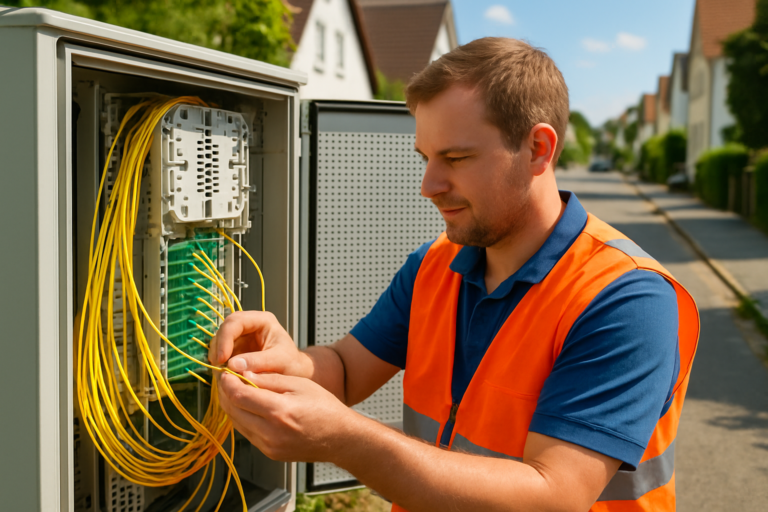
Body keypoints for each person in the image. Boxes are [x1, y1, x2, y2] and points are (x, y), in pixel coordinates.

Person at [211, 38, 699, 512]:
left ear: (538, 149)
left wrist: (344, 439)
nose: (428, 186)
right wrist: (283, 362)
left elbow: (554, 494)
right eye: (426, 158)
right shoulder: (433, 265)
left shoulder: (627, 298)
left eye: (457, 158)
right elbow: (343, 369)